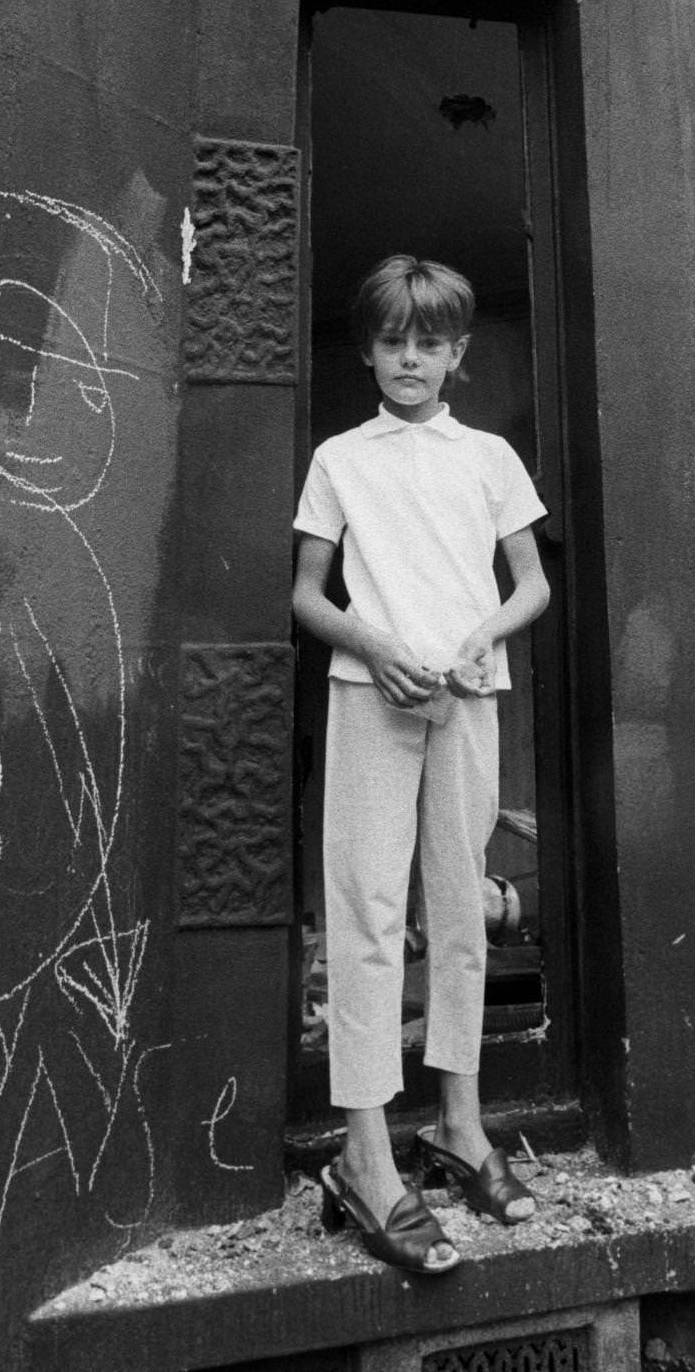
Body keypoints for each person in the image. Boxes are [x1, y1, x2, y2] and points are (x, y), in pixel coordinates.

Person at [292, 254, 551, 1275]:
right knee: (364, 916)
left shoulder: (488, 455)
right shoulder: (339, 458)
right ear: (368, 349)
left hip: (467, 697)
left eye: (429, 342)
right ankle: (365, 1158)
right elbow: (308, 592)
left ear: (458, 354)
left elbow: (531, 582)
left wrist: (485, 633)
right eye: (392, 340)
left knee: (458, 912)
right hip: (371, 697)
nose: (410, 358)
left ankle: (460, 1124)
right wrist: (375, 646)